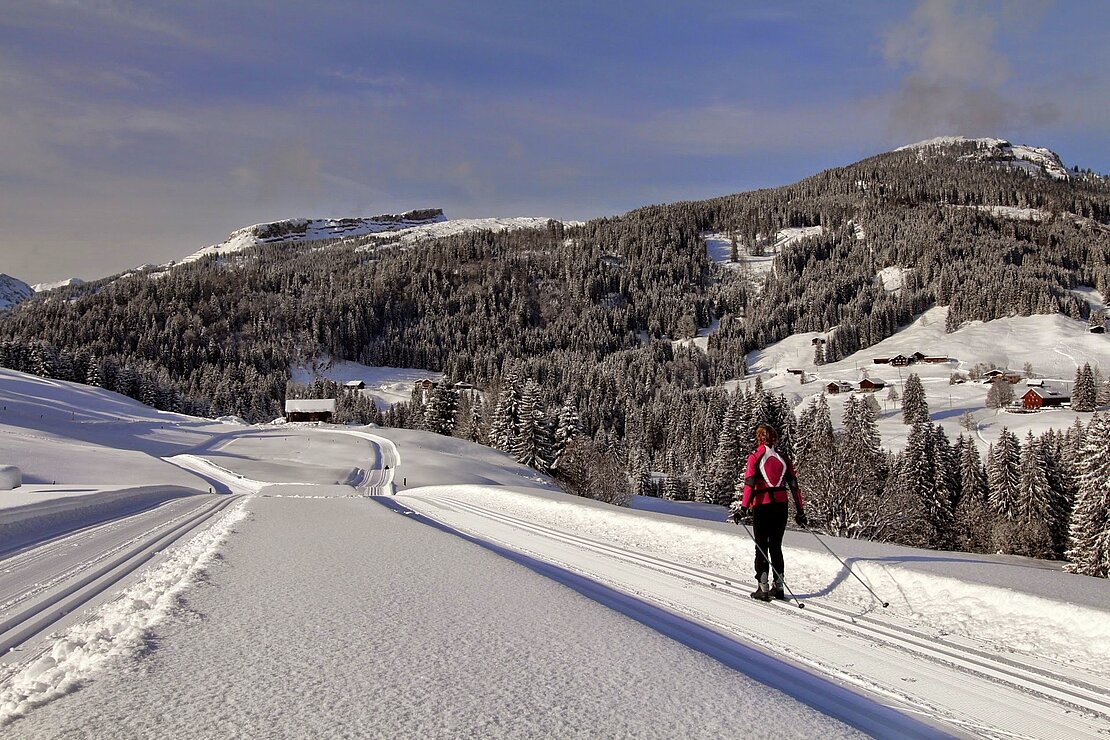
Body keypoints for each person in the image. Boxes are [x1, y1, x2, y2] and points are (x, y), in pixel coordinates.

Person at [730, 424, 806, 601]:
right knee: (776, 547)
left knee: (761, 547)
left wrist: (743, 508)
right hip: (781, 506)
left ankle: (762, 588)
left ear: (759, 438)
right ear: (775, 438)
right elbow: (794, 486)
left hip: (762, 506)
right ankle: (778, 587)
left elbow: (749, 485)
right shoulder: (784, 458)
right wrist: (800, 511)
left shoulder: (755, 457)